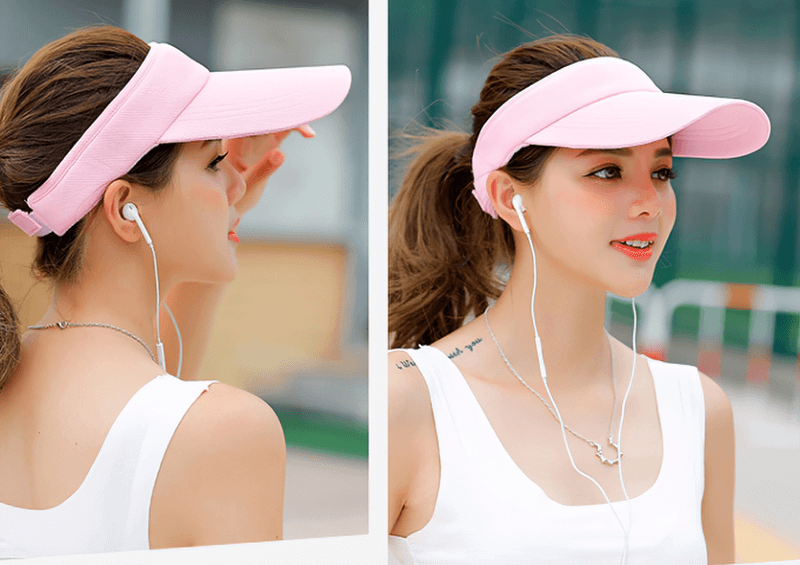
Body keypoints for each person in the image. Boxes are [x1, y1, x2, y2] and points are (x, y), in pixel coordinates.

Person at [388, 34, 770, 565]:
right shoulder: (410, 401)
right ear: (507, 196)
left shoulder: (698, 409)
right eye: (607, 171)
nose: (648, 204)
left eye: (661, 172)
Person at [0, 25, 350, 557]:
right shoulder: (227, 431)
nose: (236, 180)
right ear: (124, 209)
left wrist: (225, 213)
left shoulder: (17, 378)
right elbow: (151, 431)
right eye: (213, 162)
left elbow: (147, 423)